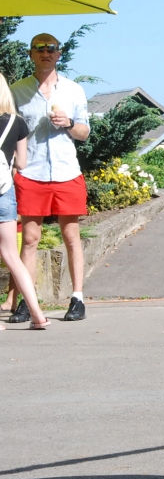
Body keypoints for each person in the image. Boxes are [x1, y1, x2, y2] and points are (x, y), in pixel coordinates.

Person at [8, 34, 91, 323]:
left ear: (59, 54)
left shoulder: (73, 90)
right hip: (31, 173)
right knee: (29, 239)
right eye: (40, 49)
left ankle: (77, 298)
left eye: (51, 49)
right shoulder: (17, 91)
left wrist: (68, 123)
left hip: (67, 171)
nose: (46, 53)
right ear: (31, 54)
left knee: (71, 236)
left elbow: (84, 132)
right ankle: (25, 302)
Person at [0, 74, 50, 330]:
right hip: (4, 192)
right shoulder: (17, 123)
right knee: (12, 255)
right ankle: (38, 315)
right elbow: (21, 163)